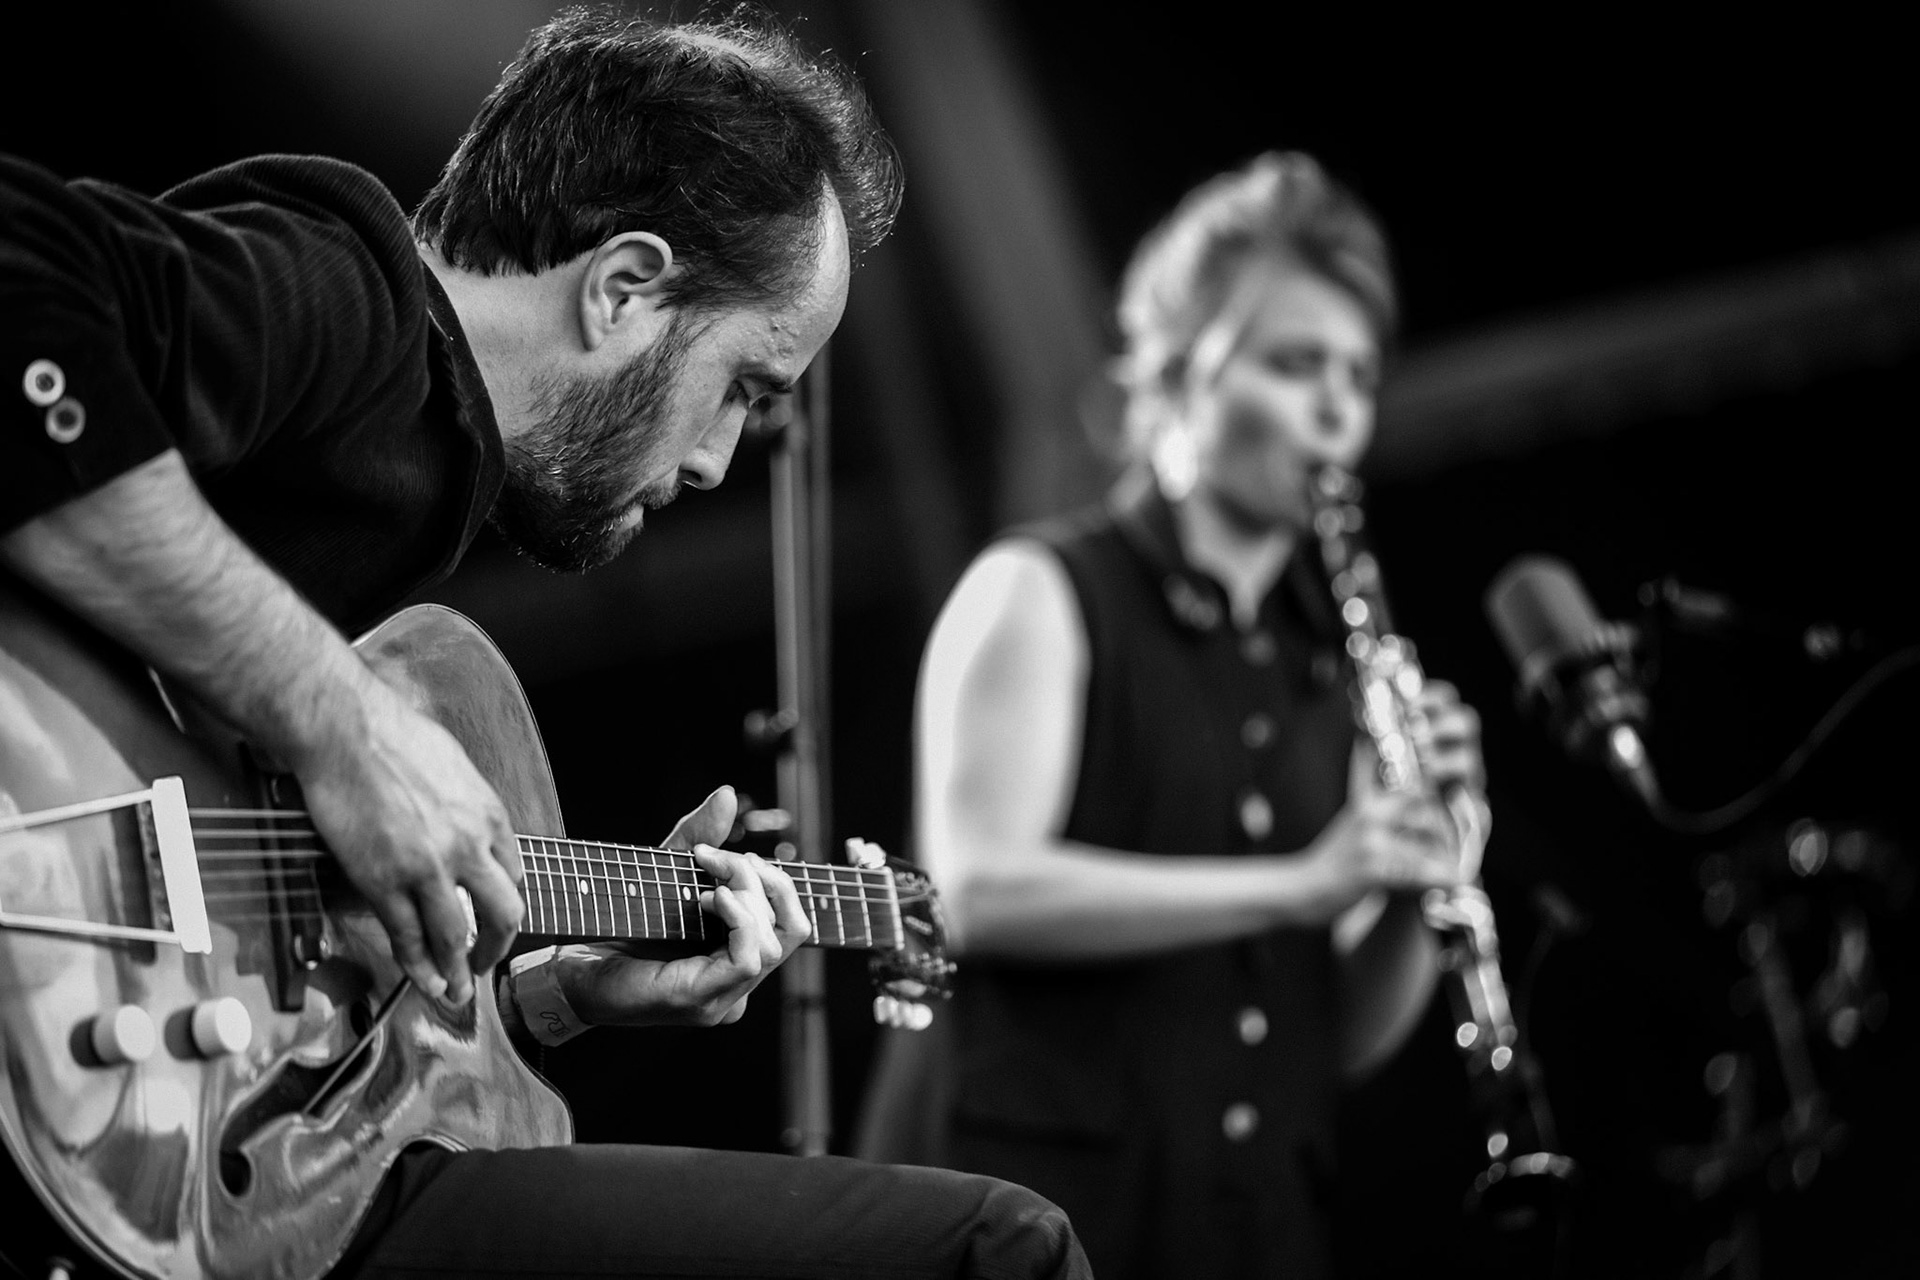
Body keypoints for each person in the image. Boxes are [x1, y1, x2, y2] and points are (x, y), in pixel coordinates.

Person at [0, 7, 1089, 1279]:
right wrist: (340, 720)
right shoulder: (353, 302)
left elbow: (285, 998)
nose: (716, 459)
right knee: (993, 1248)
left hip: (180, 1152)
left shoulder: (419, 476)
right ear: (622, 288)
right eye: (744, 385)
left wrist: (559, 990)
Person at [855, 152, 1484, 1279]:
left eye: (1359, 372)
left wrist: (1417, 883)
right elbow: (974, 890)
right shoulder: (1040, 586)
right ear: (1182, 377)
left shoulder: (1329, 666)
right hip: (1029, 1225)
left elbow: (1326, 1031)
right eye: (1297, 363)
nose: (1339, 405)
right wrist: (1303, 881)